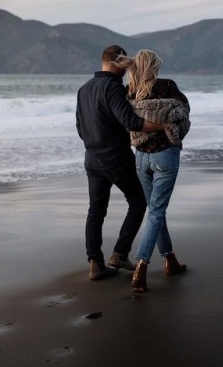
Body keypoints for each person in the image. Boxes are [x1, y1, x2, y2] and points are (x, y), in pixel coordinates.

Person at [76, 45, 164, 281]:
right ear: (119, 61)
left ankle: (95, 263)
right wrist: (163, 126)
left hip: (92, 159)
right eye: (126, 63)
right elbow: (131, 121)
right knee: (138, 202)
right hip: (116, 158)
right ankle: (119, 254)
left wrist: (95, 143)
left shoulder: (83, 89)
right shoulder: (113, 88)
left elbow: (79, 128)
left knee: (96, 211)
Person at [126, 49, 190, 292]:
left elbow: (127, 122)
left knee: (155, 210)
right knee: (156, 211)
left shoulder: (130, 91)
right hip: (165, 156)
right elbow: (183, 113)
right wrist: (171, 128)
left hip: (141, 157)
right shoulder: (168, 86)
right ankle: (142, 265)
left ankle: (170, 259)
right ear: (154, 67)